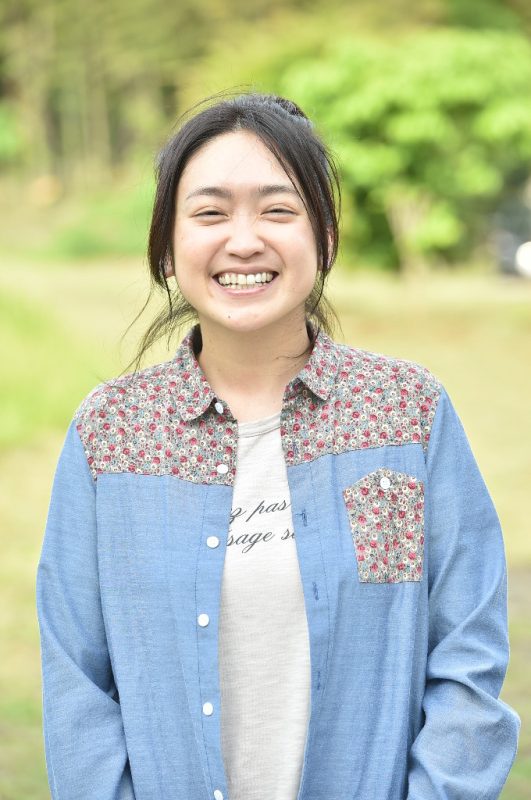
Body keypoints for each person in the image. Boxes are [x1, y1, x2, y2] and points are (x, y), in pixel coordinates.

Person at [36, 92, 520, 800]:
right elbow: (76, 686)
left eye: (277, 210)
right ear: (166, 247)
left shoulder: (407, 414)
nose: (243, 241)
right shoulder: (111, 434)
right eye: (210, 213)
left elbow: (467, 658)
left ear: (325, 238)